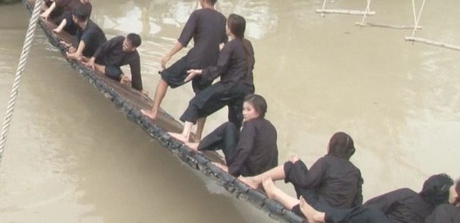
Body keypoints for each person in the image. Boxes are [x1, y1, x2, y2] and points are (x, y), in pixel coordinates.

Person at [140, 0, 227, 141]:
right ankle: (198, 135)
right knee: (203, 96)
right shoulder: (222, 19)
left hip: (195, 58)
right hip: (212, 63)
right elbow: (224, 45)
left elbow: (183, 40)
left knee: (165, 78)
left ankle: (154, 111)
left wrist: (168, 55)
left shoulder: (197, 15)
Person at [168, 13, 255, 143]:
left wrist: (200, 72)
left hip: (230, 85)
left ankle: (185, 134)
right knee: (234, 124)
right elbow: (247, 65)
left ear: (230, 28)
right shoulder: (248, 44)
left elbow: (219, 68)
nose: (225, 26)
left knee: (197, 102)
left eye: (227, 25)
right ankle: (233, 155)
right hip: (247, 89)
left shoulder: (230, 46)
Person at [239, 132, 363, 217]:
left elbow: (306, 181)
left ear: (330, 146)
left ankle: (255, 181)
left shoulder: (327, 161)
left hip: (316, 210)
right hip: (335, 218)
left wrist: (297, 162)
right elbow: (357, 204)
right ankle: (259, 182)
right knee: (301, 171)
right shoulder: (356, 172)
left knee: (291, 167)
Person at [185, 94, 277, 178]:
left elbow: (245, 148)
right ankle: (203, 146)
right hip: (259, 173)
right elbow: (274, 153)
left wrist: (231, 170)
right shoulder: (270, 127)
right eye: (243, 109)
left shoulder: (250, 125)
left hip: (246, 170)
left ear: (259, 111)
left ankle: (199, 146)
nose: (244, 113)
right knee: (233, 131)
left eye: (249, 110)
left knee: (228, 127)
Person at [298, 173, 454, 223]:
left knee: (369, 212)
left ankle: (319, 216)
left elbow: (374, 205)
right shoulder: (438, 215)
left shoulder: (408, 195)